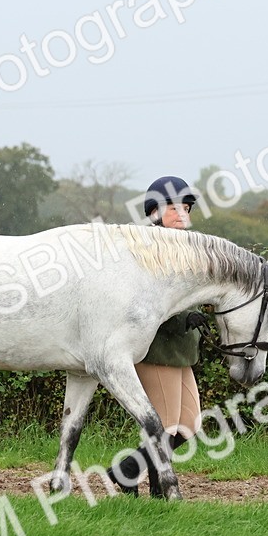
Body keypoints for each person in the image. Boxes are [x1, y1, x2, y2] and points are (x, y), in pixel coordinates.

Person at [107, 175, 208, 496]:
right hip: (157, 350)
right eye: (174, 207)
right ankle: (144, 483)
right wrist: (182, 314)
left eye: (186, 207)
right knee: (162, 427)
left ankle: (129, 473)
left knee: (189, 426)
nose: (183, 213)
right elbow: (150, 301)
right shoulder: (148, 247)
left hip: (182, 350)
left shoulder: (186, 246)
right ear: (154, 211)